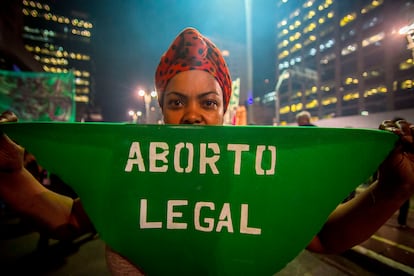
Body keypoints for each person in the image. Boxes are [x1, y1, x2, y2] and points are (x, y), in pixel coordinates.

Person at [1, 27, 414, 275]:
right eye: (177, 102)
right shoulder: (130, 171)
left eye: (208, 102)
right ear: (160, 109)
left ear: (224, 109)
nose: (193, 115)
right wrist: (8, 173)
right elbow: (70, 220)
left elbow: (323, 235)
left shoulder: (254, 173)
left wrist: (395, 186)